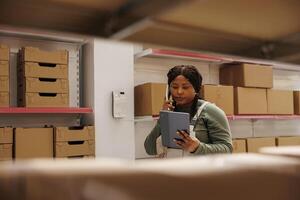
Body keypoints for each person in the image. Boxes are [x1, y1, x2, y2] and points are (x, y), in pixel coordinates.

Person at [144, 65, 233, 156]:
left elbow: (227, 149)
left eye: (185, 87)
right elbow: (150, 149)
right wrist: (163, 118)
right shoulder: (169, 112)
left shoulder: (211, 111)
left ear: (196, 89)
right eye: (174, 87)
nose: (179, 92)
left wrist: (198, 147)